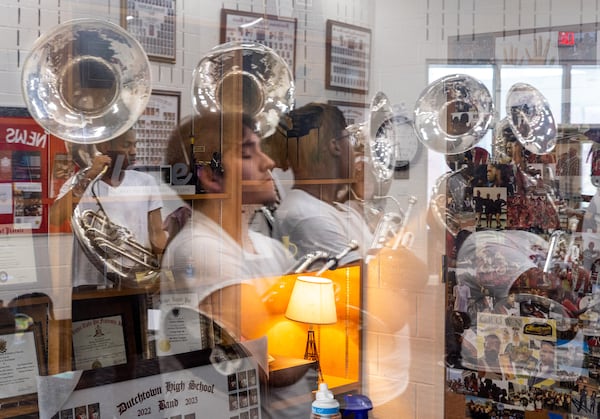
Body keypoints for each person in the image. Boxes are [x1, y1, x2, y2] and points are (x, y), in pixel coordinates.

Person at [160, 112, 296, 337]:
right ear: (212, 177)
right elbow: (274, 356)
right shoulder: (199, 249)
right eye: (246, 154)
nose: (268, 163)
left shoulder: (270, 248)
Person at [49, 128, 168, 289]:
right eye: (126, 145)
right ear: (105, 147)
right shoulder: (78, 181)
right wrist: (90, 175)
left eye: (135, 145)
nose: (133, 151)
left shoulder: (145, 181)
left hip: (135, 277)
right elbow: (55, 218)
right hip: (88, 278)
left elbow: (157, 232)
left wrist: (164, 272)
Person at [270, 103, 373, 266]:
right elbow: (365, 283)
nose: (354, 150)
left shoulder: (341, 210)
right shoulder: (307, 215)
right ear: (335, 146)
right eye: (349, 139)